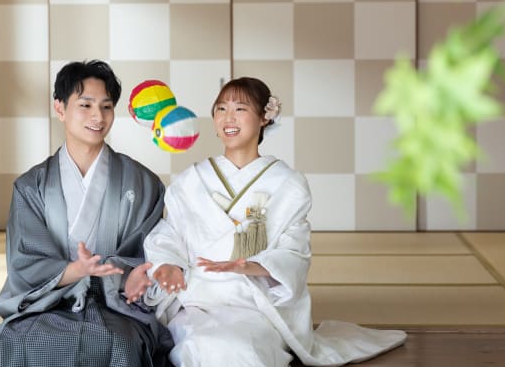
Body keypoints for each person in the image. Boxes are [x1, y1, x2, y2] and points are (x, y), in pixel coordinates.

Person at [143, 77, 406, 366]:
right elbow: (168, 234)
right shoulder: (191, 180)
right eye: (221, 109)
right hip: (198, 300)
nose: (228, 118)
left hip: (257, 303)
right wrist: (168, 265)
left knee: (243, 349)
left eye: (240, 109)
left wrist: (249, 266)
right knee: (202, 345)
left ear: (264, 117)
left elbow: (295, 252)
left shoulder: (287, 184)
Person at [0, 60, 173, 366]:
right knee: (23, 342)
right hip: (49, 303)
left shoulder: (142, 182)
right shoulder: (32, 186)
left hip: (118, 306)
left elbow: (152, 251)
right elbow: (24, 260)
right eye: (85, 105)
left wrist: (131, 275)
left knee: (120, 345)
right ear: (60, 108)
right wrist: (75, 270)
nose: (97, 116)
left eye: (106, 107)